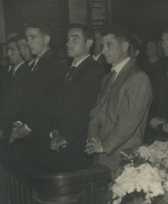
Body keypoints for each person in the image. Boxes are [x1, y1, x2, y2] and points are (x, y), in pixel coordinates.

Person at [85, 24, 152, 175]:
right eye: (102, 45)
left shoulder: (138, 77)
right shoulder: (108, 77)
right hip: (102, 155)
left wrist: (104, 146)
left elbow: (129, 121)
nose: (103, 51)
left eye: (109, 45)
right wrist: (92, 138)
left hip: (123, 158)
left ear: (124, 46)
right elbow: (96, 111)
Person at [9, 21, 68, 172]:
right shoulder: (34, 63)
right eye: (27, 38)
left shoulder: (55, 64)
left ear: (46, 39)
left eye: (33, 37)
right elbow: (26, 98)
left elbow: (50, 102)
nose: (29, 42)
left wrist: (28, 126)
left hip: (44, 134)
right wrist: (19, 122)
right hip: (32, 134)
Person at [49, 24, 107, 171]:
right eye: (68, 39)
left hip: (79, 144)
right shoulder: (70, 70)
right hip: (62, 142)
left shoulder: (96, 71)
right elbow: (59, 104)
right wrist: (55, 132)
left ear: (88, 43)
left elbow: (87, 110)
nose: (68, 43)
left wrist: (66, 137)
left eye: (75, 39)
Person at [0, 36, 30, 138]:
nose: (8, 53)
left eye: (12, 49)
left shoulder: (27, 72)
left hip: (14, 129)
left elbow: (18, 105)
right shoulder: (11, 72)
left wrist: (4, 128)